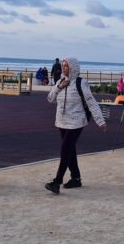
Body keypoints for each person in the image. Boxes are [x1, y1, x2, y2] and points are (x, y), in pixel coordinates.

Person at [45, 58, 107, 194]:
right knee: (70, 150)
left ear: (73, 68)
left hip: (77, 121)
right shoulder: (60, 81)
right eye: (62, 65)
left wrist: (100, 120)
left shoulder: (81, 83)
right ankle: (76, 178)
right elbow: (50, 98)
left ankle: (57, 181)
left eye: (66, 66)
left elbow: (91, 102)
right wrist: (60, 86)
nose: (63, 68)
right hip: (61, 121)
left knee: (65, 149)